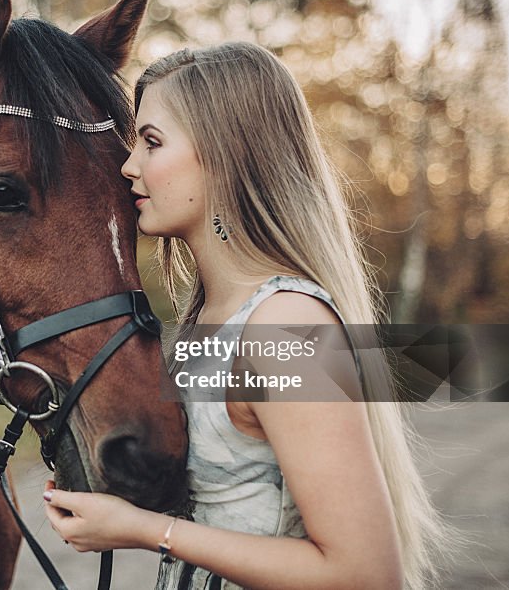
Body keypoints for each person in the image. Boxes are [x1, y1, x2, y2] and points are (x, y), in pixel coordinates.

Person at [43, 42, 452, 589]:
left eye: (151, 142)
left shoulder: (284, 325)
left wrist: (145, 529)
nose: (128, 165)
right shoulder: (211, 317)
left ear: (225, 153)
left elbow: (364, 574)